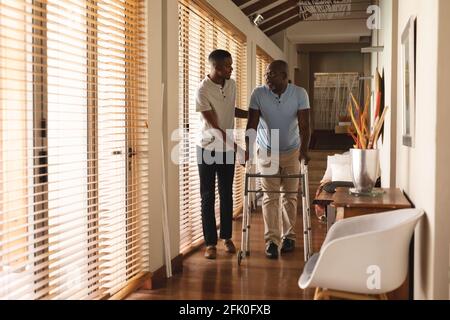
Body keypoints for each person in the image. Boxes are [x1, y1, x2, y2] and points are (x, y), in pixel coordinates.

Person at [245, 60, 311, 259]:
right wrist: (247, 151)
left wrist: (304, 151)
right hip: (267, 151)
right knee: (270, 196)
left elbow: (305, 125)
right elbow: (252, 124)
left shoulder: (300, 94)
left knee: (289, 196)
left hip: (292, 150)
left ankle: (289, 236)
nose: (267, 78)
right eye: (266, 74)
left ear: (284, 76)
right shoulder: (259, 93)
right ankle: (272, 241)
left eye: (272, 74)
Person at [196, 49, 248, 260]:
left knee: (226, 194)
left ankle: (226, 237)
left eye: (231, 64)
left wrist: (255, 114)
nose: (231, 68)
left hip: (226, 148)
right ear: (216, 68)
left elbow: (230, 109)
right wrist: (238, 149)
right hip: (207, 148)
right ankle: (210, 244)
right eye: (227, 65)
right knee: (207, 196)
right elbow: (214, 125)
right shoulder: (202, 90)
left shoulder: (232, 84)